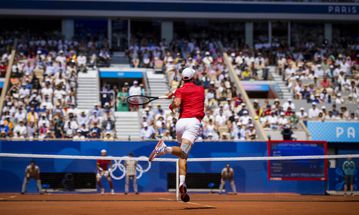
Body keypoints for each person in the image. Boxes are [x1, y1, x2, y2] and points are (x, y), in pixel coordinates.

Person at [148, 67, 205, 202]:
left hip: (180, 123)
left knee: (183, 155)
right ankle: (165, 149)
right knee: (184, 152)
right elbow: (181, 98)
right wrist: (174, 96)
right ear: (193, 77)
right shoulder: (201, 89)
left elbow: (177, 102)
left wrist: (171, 103)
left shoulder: (180, 90)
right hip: (193, 123)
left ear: (182, 78)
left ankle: (182, 183)